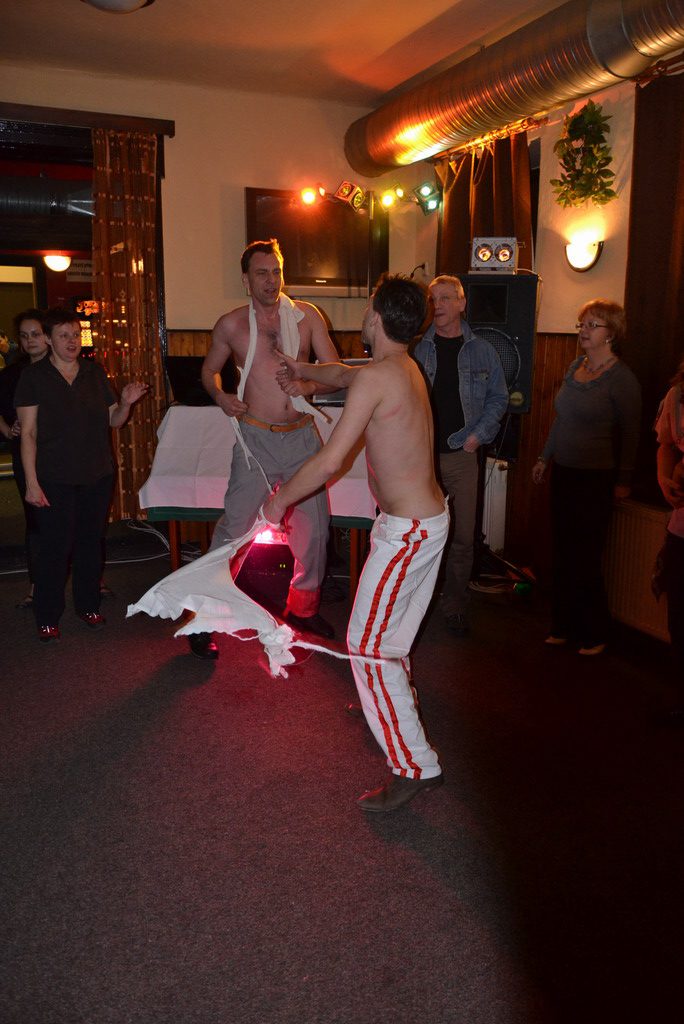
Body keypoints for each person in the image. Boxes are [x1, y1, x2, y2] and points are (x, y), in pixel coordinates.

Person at [263, 274, 449, 813]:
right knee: (388, 640)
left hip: (408, 531)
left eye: (368, 310)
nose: (364, 317)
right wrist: (301, 370)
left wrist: (278, 502)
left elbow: (329, 461)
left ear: (376, 318)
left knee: (366, 647)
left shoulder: (380, 377)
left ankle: (414, 766)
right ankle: (391, 704)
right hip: (423, 523)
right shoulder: (399, 367)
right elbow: (342, 373)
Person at [194, 238, 340, 660]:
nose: (271, 280)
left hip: (302, 438)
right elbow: (209, 371)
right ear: (246, 280)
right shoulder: (231, 324)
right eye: (262, 273)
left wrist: (306, 385)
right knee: (234, 531)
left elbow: (335, 373)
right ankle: (204, 616)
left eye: (276, 272)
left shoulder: (307, 316)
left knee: (314, 532)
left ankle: (303, 609)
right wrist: (221, 397)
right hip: (255, 438)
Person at [14, 307, 148, 643]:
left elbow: (114, 420)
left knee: (90, 543)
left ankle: (88, 606)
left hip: (97, 474)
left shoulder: (94, 372)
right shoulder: (33, 377)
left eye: (76, 334)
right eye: (64, 335)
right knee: (55, 548)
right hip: (53, 477)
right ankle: (47, 616)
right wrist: (31, 483)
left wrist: (126, 403)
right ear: (48, 339)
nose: (72, 341)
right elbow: (28, 433)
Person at [532, 299, 641, 655]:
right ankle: (563, 625)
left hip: (595, 479)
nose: (584, 330)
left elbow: (632, 433)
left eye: (593, 325)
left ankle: (594, 632)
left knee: (586, 556)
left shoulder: (621, 379)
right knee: (562, 551)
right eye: (582, 324)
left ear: (612, 333)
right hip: (564, 472)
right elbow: (561, 419)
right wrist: (544, 457)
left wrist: (623, 480)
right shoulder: (575, 367)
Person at [412, 275, 508, 636]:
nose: (438, 305)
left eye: (446, 298)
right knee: (421, 537)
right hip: (421, 458)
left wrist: (477, 437)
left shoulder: (482, 351)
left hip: (461, 457)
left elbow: (498, 398)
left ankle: (453, 606)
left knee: (463, 538)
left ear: (462, 304)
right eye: (433, 299)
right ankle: (416, 607)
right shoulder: (416, 349)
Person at [0, 309, 49, 607]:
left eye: (36, 334)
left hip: (64, 453)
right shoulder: (11, 374)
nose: (30, 340)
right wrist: (7, 429)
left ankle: (93, 579)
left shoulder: (64, 367)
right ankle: (36, 585)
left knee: (77, 517)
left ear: (47, 335)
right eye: (24, 335)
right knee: (36, 520)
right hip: (25, 454)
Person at [654, 358, 684, 721]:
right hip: (681, 528)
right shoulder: (677, 396)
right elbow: (665, 445)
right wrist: (664, 479)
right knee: (679, 617)